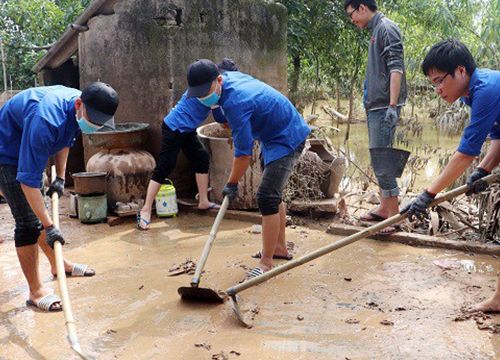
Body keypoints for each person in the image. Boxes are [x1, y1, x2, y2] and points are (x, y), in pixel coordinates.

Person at [184, 59, 311, 277]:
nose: (204, 97)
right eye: (199, 94)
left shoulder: (237, 102)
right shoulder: (226, 85)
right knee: (273, 194)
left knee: (266, 197)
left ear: (219, 80)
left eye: (206, 92)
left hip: (287, 136)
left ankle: (266, 263)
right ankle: (279, 247)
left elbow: (243, 154)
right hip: (271, 135)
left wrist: (231, 184)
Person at [0, 82, 119, 312]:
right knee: (28, 222)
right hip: (5, 153)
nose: (94, 126)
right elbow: (27, 180)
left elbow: (65, 140)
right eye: (93, 121)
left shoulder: (77, 108)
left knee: (39, 212)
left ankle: (59, 265)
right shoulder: (45, 120)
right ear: (79, 105)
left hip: (25, 143)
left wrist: (61, 177)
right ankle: (36, 291)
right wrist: (49, 225)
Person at [404, 39, 500, 312]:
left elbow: (464, 155)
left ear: (460, 71)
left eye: (439, 81)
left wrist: (427, 194)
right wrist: (484, 170)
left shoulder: (487, 89)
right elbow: (499, 138)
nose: (437, 90)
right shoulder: (474, 93)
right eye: (433, 83)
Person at [137, 59, 239, 230]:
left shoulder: (209, 83)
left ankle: (203, 201)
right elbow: (220, 118)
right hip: (174, 128)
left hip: (187, 129)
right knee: (165, 166)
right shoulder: (207, 87)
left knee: (201, 158)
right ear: (220, 76)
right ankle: (146, 209)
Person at [344, 0, 407, 232]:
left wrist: (392, 105)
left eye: (352, 15)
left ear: (362, 7)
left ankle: (394, 216)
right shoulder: (376, 30)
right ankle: (384, 208)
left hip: (384, 106)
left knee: (383, 159)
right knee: (377, 157)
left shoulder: (386, 28)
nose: (353, 21)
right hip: (377, 106)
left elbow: (396, 67)